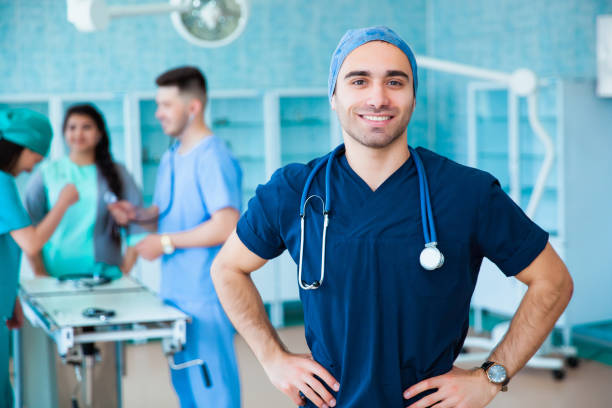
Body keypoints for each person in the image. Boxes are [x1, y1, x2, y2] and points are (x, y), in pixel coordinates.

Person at [210, 26, 574, 408]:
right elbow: (227, 270)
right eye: (359, 81)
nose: (378, 97)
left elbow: (553, 282)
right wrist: (272, 358)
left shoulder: (468, 192)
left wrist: (491, 377)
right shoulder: (293, 191)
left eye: (395, 82)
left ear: (413, 97)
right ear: (334, 96)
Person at [108, 66, 242, 407]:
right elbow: (167, 213)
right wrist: (138, 215)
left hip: (206, 293)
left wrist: (165, 243)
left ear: (193, 107)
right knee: (186, 385)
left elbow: (226, 225)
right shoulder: (171, 157)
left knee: (213, 389)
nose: (158, 113)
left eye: (166, 105)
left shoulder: (213, 157)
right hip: (174, 292)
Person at [0, 108, 78, 408]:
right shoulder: (2, 183)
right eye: (37, 158)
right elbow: (31, 243)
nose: (34, 167)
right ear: (27, 147)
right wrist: (62, 203)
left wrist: (11, 298)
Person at [24, 104, 142, 280]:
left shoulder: (118, 173)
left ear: (99, 134)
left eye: (86, 127)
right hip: (55, 276)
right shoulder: (47, 172)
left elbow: (138, 224)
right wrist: (39, 272)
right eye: (72, 127)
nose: (78, 134)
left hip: (106, 275)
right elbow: (28, 226)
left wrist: (126, 269)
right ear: (64, 133)